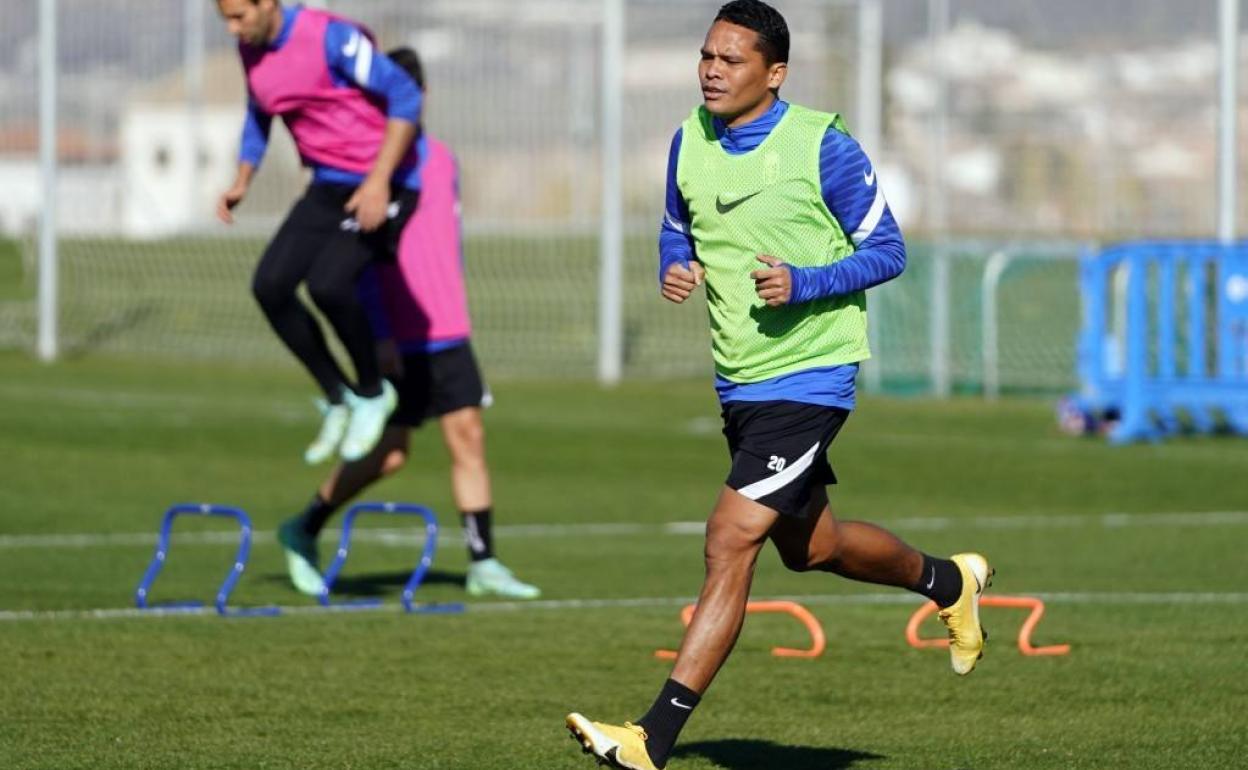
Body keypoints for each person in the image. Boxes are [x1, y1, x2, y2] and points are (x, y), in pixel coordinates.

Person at [565, 3, 991, 768]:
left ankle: (650, 738)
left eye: (731, 60)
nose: (712, 71)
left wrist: (806, 283)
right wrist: (675, 262)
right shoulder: (688, 140)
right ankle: (949, 580)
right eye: (706, 56)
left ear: (775, 73)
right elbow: (677, 223)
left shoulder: (821, 144)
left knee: (729, 539)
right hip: (740, 381)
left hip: (813, 375)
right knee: (812, 546)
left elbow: (888, 251)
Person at [275, 47, 541, 602]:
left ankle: (483, 562)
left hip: (447, 330)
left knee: (468, 438)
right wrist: (378, 334)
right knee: (389, 454)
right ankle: (305, 526)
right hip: (393, 337)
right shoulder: (363, 169)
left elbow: (441, 246)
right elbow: (353, 264)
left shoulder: (442, 160)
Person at [214, 0, 422, 464]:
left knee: (329, 284)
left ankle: (372, 392)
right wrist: (243, 179)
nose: (232, 29)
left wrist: (377, 181)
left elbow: (406, 94)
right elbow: (259, 110)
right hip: (329, 184)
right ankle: (338, 396)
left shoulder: (330, 38)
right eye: (224, 19)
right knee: (269, 286)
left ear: (267, 4)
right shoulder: (251, 48)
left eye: (239, 17)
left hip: (386, 180)